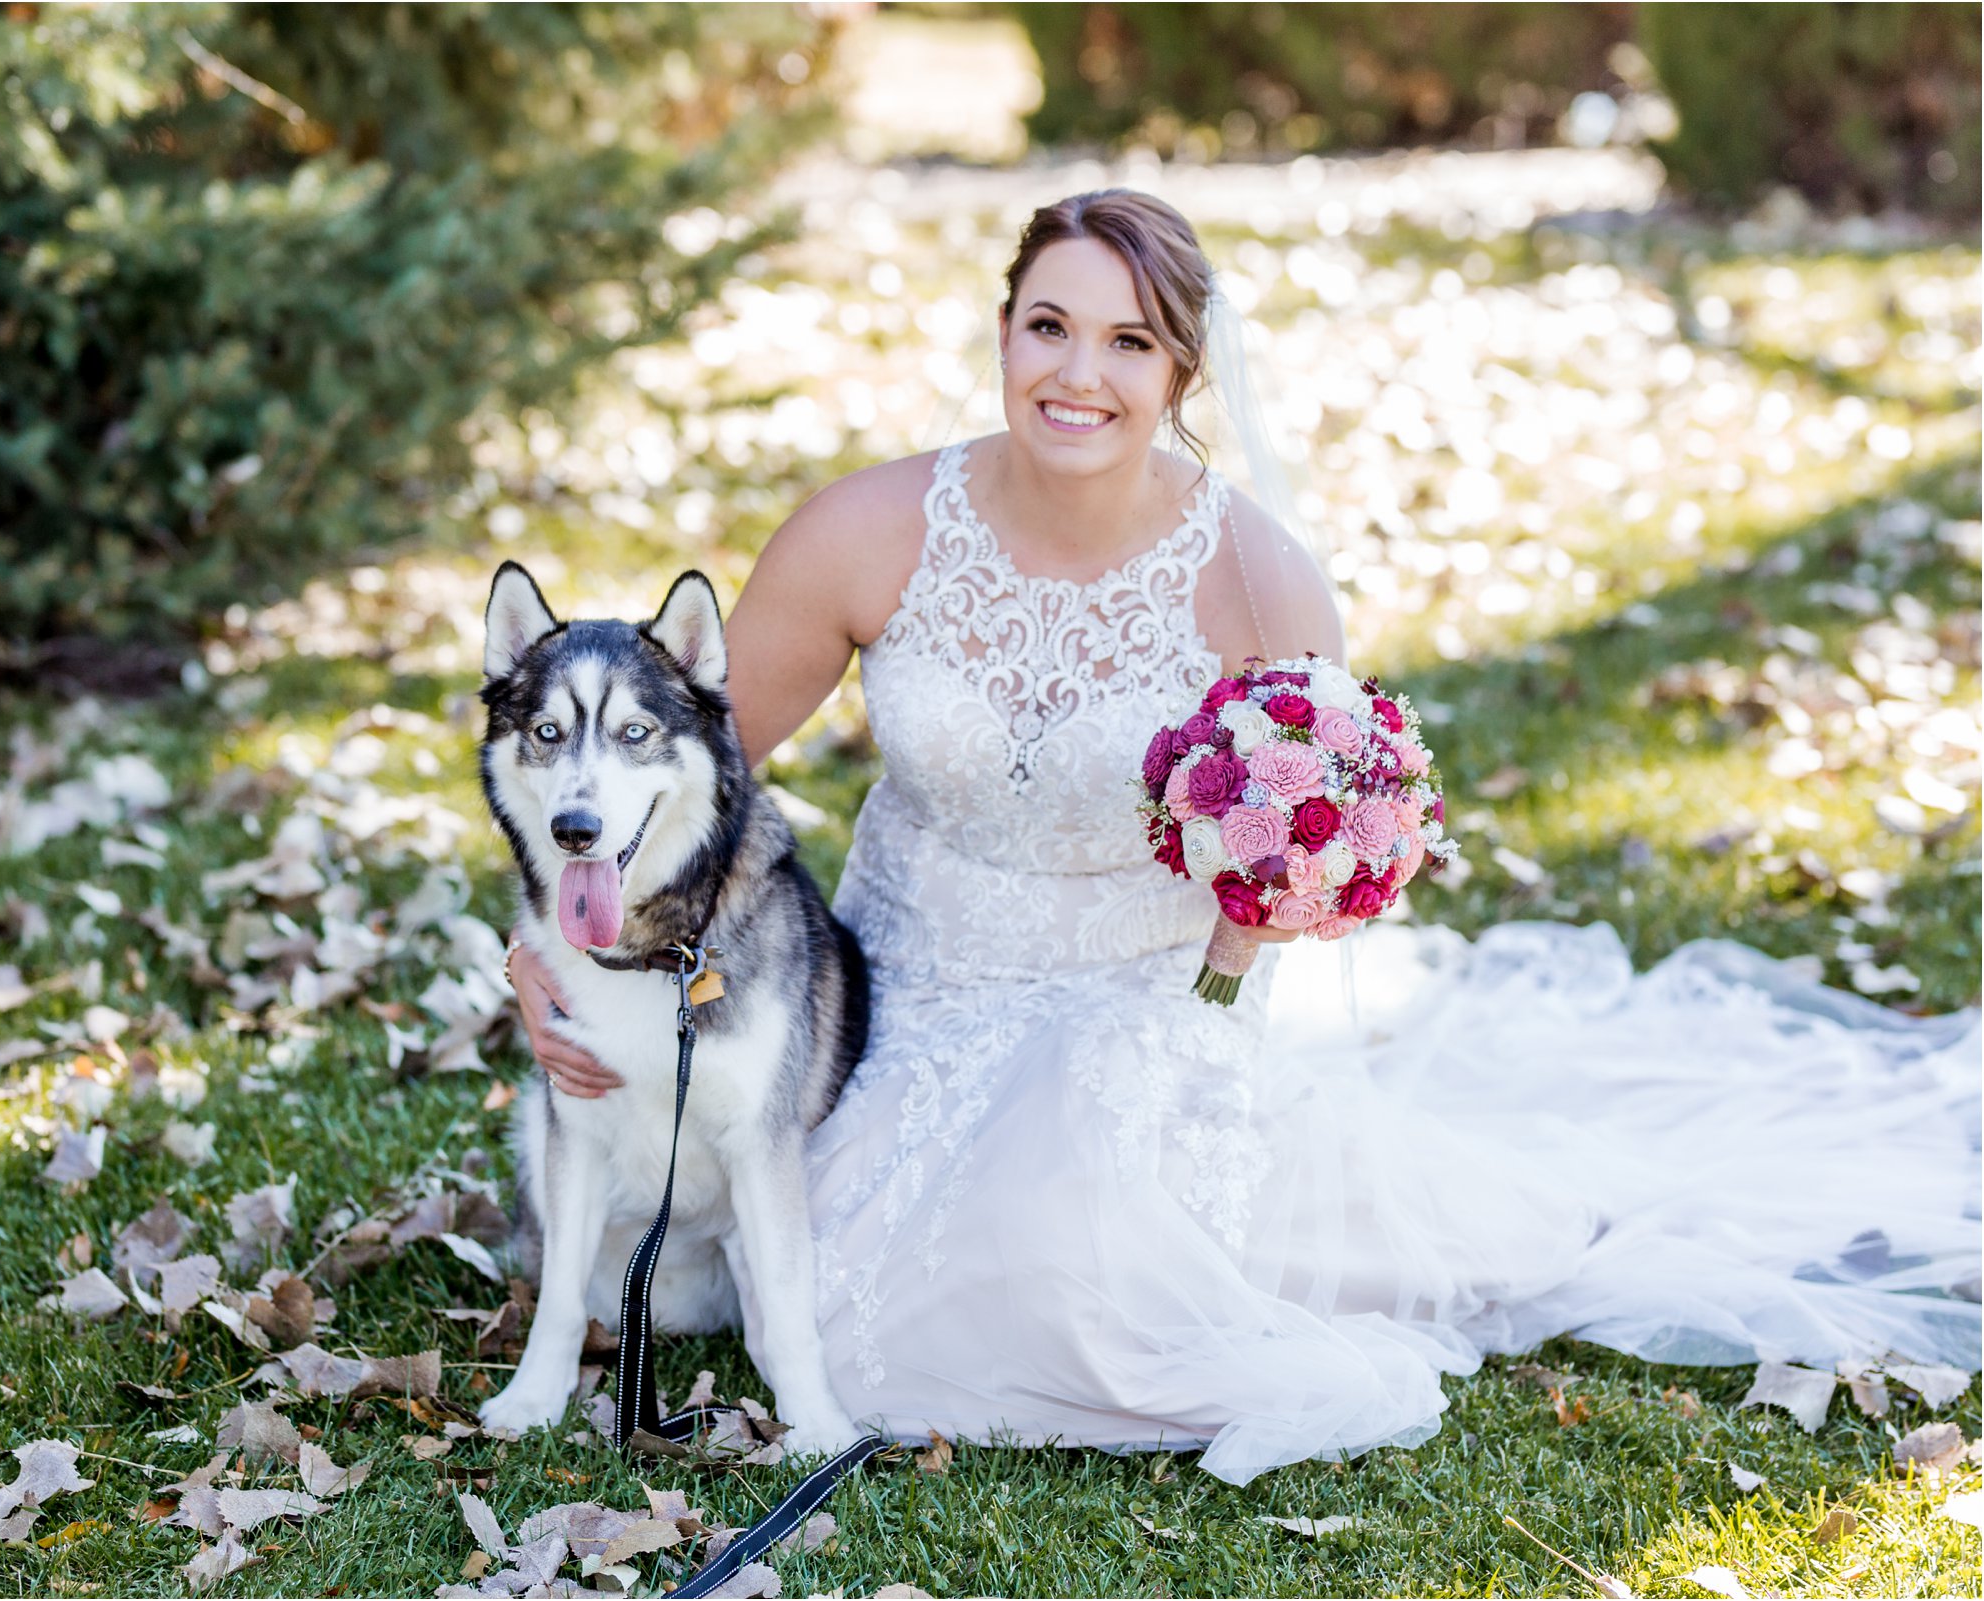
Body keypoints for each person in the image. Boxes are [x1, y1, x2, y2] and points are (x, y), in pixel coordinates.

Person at [504, 189, 1980, 1483]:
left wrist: (1226, 977)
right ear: (1002, 333)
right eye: (1048, 327)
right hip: (901, 990)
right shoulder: (869, 531)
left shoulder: (1256, 579)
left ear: (1183, 370)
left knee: (1059, 1258)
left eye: (1130, 342)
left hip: (1130, 1000)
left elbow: (1322, 845)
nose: (1079, 375)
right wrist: (561, 959)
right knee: (800, 1273)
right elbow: (684, 778)